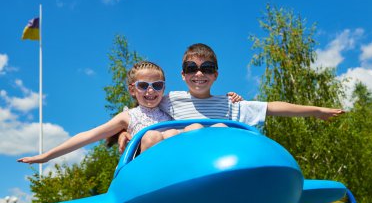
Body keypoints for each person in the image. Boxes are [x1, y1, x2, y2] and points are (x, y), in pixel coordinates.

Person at [116, 43, 345, 153]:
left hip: (215, 164)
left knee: (220, 127)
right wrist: (123, 132)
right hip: (181, 163)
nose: (199, 74)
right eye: (191, 68)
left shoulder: (230, 104)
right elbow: (143, 110)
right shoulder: (170, 99)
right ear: (183, 74)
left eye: (206, 68)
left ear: (215, 75)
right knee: (187, 130)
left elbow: (272, 107)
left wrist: (317, 111)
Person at [17, 61, 208, 164]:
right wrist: (46, 156)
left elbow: (203, 103)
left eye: (157, 85)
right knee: (151, 136)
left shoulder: (171, 106)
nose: (151, 91)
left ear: (164, 88)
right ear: (132, 89)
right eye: (143, 86)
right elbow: (89, 136)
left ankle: (200, 175)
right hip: (144, 170)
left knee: (195, 127)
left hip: (175, 163)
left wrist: (232, 98)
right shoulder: (130, 116)